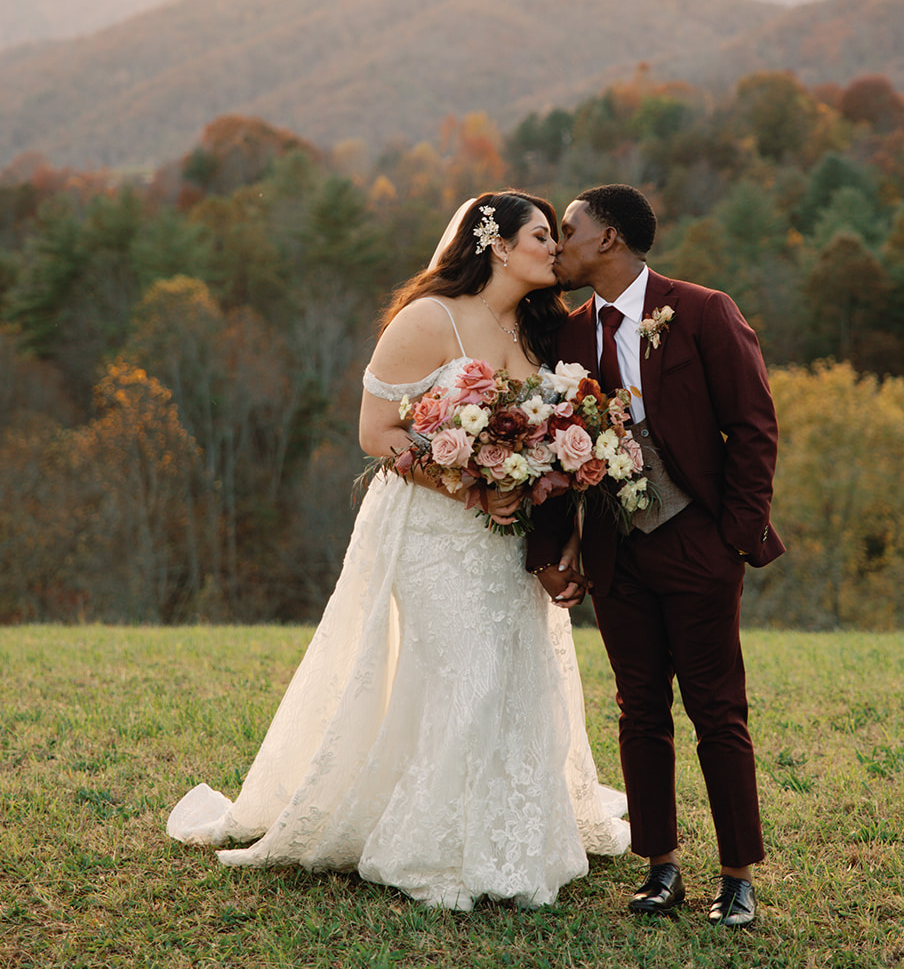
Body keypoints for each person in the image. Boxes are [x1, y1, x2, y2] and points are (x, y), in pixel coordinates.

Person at [167, 190, 628, 910]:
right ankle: (430, 844)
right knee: (462, 673)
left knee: (512, 675)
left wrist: (541, 508)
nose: (555, 249)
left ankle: (508, 836)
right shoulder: (430, 319)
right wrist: (469, 488)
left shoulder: (545, 332)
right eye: (543, 235)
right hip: (434, 533)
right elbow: (378, 433)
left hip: (507, 543)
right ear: (499, 245)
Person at [527, 184, 783, 926]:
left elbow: (753, 427)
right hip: (616, 552)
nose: (557, 245)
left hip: (700, 544)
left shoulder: (702, 310)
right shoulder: (569, 337)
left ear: (607, 239)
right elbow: (552, 447)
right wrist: (552, 549)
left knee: (716, 710)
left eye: (566, 231)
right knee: (638, 710)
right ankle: (659, 866)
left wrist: (733, 535)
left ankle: (736, 875)